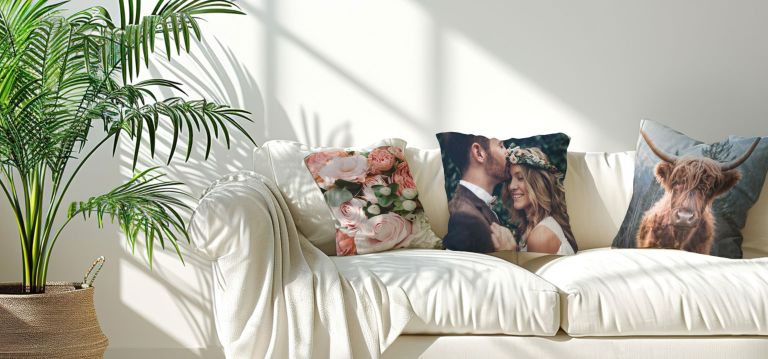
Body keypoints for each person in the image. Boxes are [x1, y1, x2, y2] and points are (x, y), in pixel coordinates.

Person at [441, 133, 517, 252]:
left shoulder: (471, 207)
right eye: (501, 146)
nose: (507, 152)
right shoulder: (465, 218)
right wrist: (508, 256)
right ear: (479, 153)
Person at [503, 146, 577, 255]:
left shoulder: (541, 235)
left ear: (537, 184)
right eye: (510, 179)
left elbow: (530, 273)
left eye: (520, 178)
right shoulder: (532, 228)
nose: (511, 186)